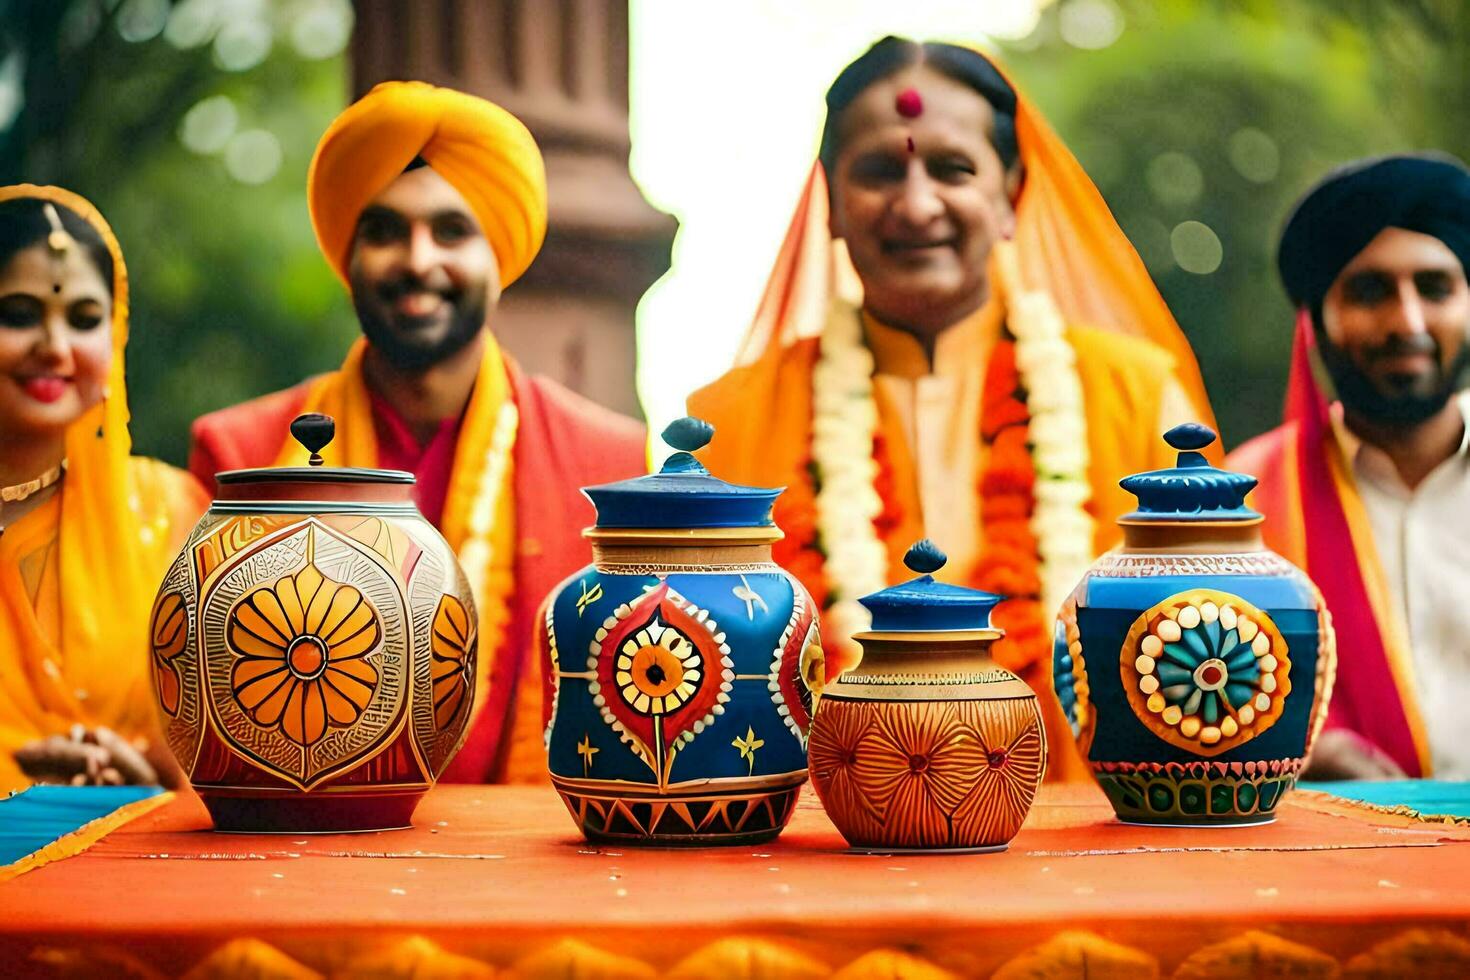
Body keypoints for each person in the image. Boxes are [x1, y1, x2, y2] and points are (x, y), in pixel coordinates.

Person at [688, 37, 1216, 779]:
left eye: (953, 168)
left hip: (1091, 854)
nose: (916, 202)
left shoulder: (1138, 399)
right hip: (818, 853)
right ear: (831, 202)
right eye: (878, 171)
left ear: (1011, 196)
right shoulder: (726, 428)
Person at [188, 83, 647, 783]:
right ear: (349, 255)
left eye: (452, 230)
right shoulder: (240, 457)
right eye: (384, 230)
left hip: (539, 865)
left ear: (501, 254)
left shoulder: (613, 465)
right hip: (302, 846)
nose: (418, 260)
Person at [1229, 154, 1470, 780]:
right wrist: (1291, 750)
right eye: (1370, 291)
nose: (1408, 323)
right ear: (1315, 321)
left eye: (1436, 288)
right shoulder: (1245, 503)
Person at [0, 185, 208, 792]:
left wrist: (147, 780)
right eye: (17, 314)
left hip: (135, 875)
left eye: (85, 319)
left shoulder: (171, 515)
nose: (55, 347)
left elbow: (238, 742)